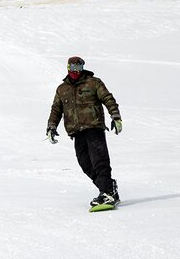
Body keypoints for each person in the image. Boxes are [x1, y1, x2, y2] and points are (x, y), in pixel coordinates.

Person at [46, 56, 123, 207]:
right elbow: (56, 109)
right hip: (76, 131)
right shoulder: (62, 89)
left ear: (82, 68)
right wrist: (51, 126)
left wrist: (115, 116)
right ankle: (109, 188)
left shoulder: (94, 83)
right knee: (85, 164)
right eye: (73, 68)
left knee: (99, 160)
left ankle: (106, 192)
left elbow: (108, 98)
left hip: (94, 127)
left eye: (78, 68)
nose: (76, 72)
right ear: (68, 69)